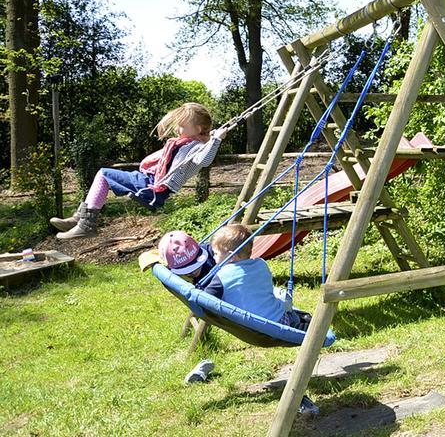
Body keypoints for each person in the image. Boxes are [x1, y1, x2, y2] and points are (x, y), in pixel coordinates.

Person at [50, 103, 226, 240]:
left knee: (103, 174)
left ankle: (87, 224)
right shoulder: (183, 143)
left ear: (198, 129)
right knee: (102, 175)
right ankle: (81, 218)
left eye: (182, 126)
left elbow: (204, 160)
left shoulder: (196, 147)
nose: (177, 129)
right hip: (147, 179)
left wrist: (216, 140)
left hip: (152, 186)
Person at [201, 224, 312, 332]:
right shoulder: (261, 264)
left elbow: (205, 299)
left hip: (252, 327)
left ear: (231, 256)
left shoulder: (222, 275)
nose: (213, 257)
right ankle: (301, 321)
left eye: (215, 254)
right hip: (280, 319)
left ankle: (300, 323)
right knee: (281, 299)